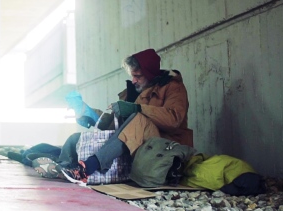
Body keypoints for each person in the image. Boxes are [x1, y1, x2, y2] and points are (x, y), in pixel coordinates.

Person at [33, 48, 193, 184]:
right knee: (77, 138)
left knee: (138, 118)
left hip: (163, 149)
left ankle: (86, 168)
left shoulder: (173, 87)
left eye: (138, 76)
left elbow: (174, 119)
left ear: (149, 74)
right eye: (132, 75)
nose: (134, 80)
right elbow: (117, 128)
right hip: (136, 144)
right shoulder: (135, 92)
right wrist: (88, 113)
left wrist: (136, 108)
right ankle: (63, 168)